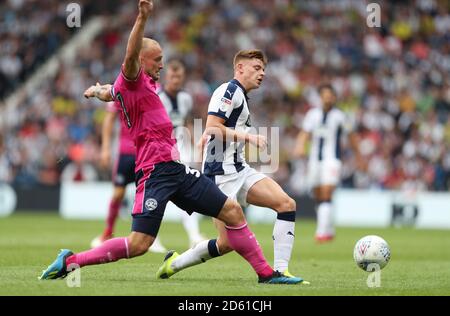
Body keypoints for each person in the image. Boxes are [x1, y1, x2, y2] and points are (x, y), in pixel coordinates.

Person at [40, 0, 301, 285]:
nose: (162, 64)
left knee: (232, 210)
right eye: (157, 59)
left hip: (176, 169)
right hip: (154, 172)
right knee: (139, 244)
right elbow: (130, 56)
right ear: (141, 61)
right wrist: (142, 18)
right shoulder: (133, 78)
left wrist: (96, 90)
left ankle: (267, 274)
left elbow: (110, 92)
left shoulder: (138, 85)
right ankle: (72, 260)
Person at [156, 50, 305, 282]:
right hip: (220, 174)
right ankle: (173, 264)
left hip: (240, 169)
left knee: (286, 204)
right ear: (240, 68)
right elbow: (213, 127)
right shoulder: (229, 90)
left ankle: (281, 271)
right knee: (226, 243)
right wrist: (250, 138)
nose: (262, 73)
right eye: (256, 68)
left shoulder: (242, 96)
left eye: (263, 69)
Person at [89, 99, 167, 253]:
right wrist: (105, 148)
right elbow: (109, 119)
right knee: (118, 193)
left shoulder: (155, 90)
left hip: (147, 152)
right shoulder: (121, 90)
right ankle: (107, 232)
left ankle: (151, 235)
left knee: (150, 194)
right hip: (125, 152)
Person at [294, 84, 363, 242]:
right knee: (318, 195)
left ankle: (321, 232)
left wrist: (359, 157)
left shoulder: (340, 116)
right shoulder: (312, 114)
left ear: (334, 97)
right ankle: (329, 229)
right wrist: (299, 146)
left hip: (332, 160)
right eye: (325, 95)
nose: (327, 98)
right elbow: (304, 133)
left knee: (326, 192)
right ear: (320, 97)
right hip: (314, 160)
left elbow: (351, 137)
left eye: (330, 95)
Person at [157, 59, 206, 247]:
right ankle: (150, 236)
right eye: (172, 76)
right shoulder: (158, 97)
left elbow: (186, 123)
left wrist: (197, 146)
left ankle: (194, 235)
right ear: (165, 77)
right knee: (161, 193)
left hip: (181, 149)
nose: (176, 80)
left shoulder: (185, 97)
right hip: (160, 151)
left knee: (187, 190)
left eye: (179, 76)